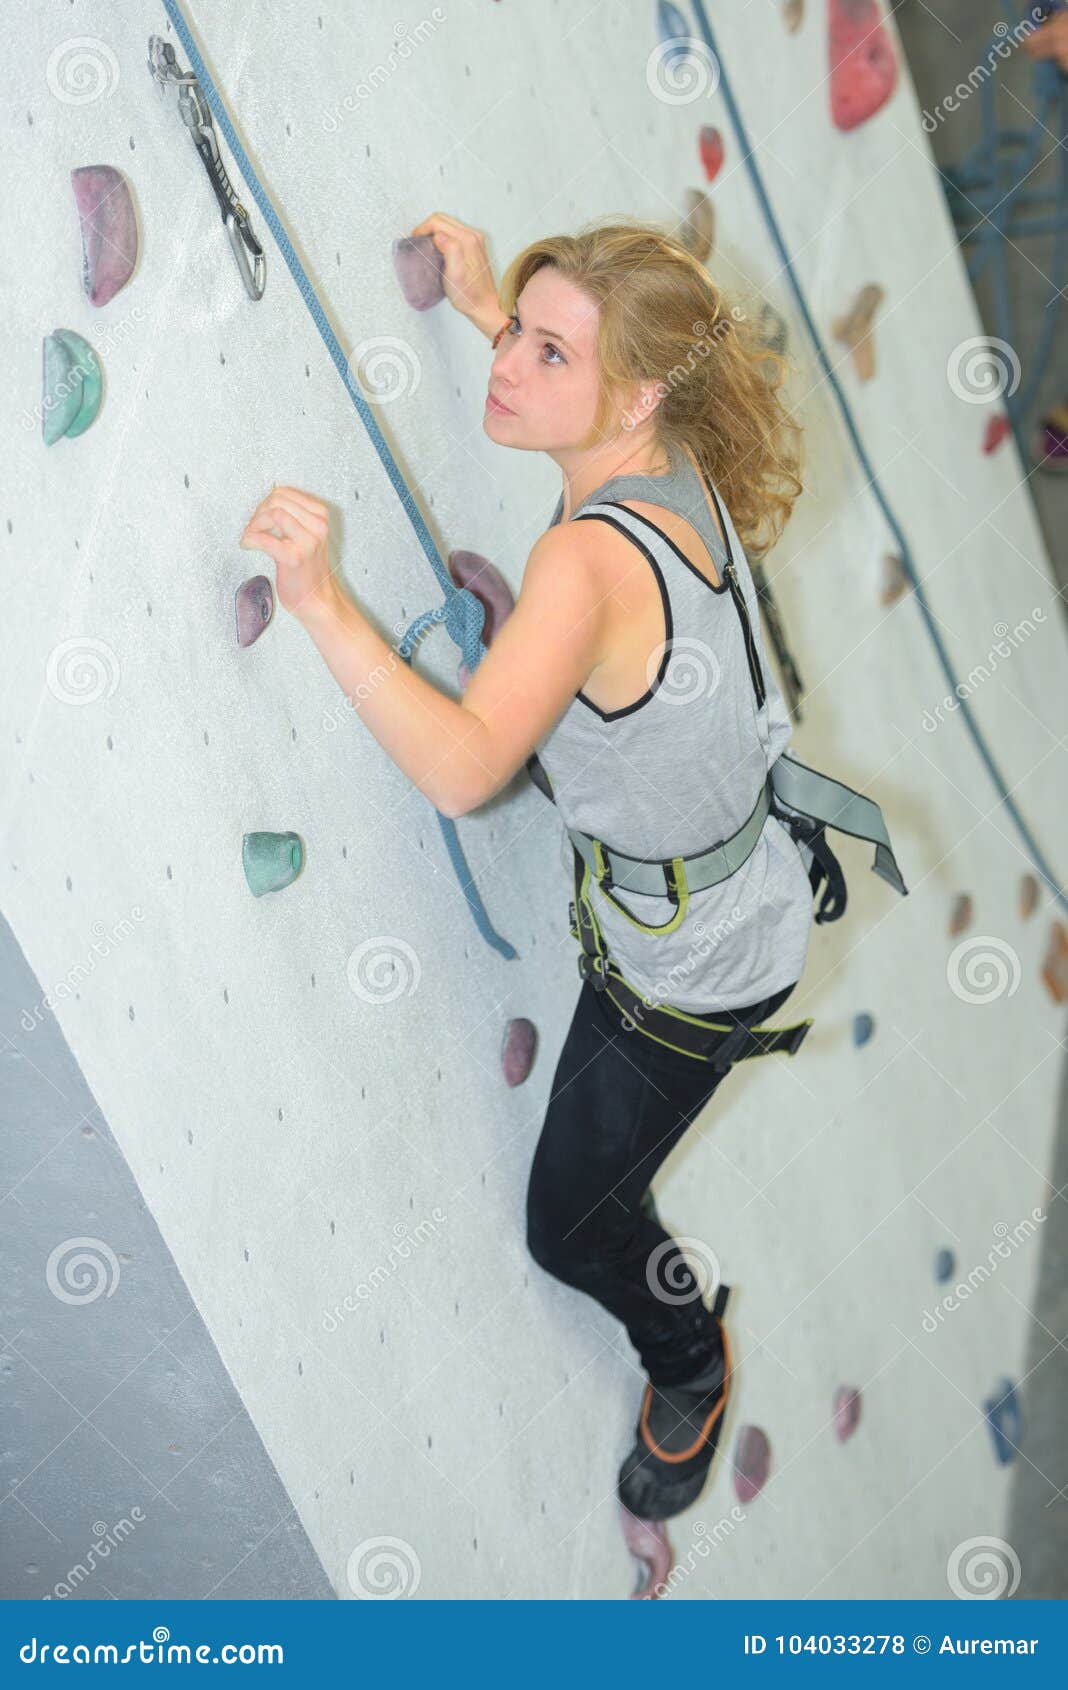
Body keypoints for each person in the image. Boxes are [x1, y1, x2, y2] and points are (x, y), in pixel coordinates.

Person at [239, 212, 817, 1525]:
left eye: (547, 353)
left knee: (570, 1225)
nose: (508, 365)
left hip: (690, 975)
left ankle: (690, 1358)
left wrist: (324, 602)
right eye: (519, 334)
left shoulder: (585, 562)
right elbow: (584, 375)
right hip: (727, 873)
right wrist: (489, 306)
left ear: (638, 391)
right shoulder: (670, 455)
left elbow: (462, 772)